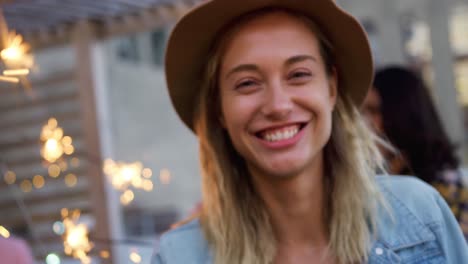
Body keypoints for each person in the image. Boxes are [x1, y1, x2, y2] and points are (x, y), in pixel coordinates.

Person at [154, 0, 468, 263]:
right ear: (219, 109)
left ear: (331, 88)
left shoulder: (419, 215)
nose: (277, 105)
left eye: (299, 74)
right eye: (247, 83)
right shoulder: (179, 256)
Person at [363, 66, 468, 240]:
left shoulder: (447, 189)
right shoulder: (379, 176)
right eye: (364, 111)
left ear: (402, 114)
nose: (368, 122)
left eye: (375, 111)